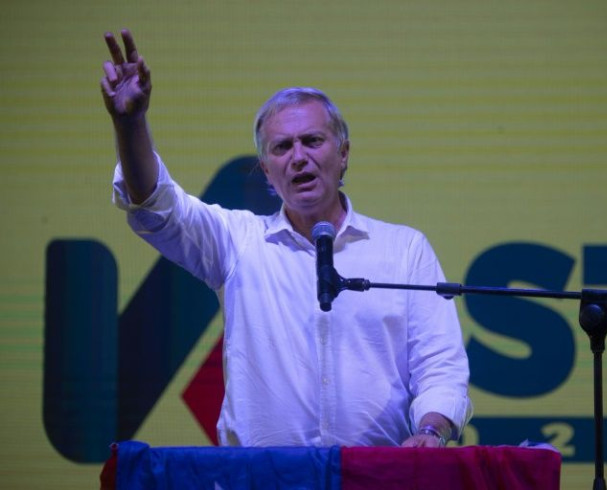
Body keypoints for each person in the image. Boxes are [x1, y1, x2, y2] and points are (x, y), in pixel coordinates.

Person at [101, 29, 472, 448]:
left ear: (344, 153)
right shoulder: (238, 243)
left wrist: (429, 432)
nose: (298, 157)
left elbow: (440, 364)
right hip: (262, 478)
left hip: (375, 477)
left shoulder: (404, 249)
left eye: (312, 141)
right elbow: (156, 206)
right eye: (282, 148)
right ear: (266, 170)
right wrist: (130, 122)